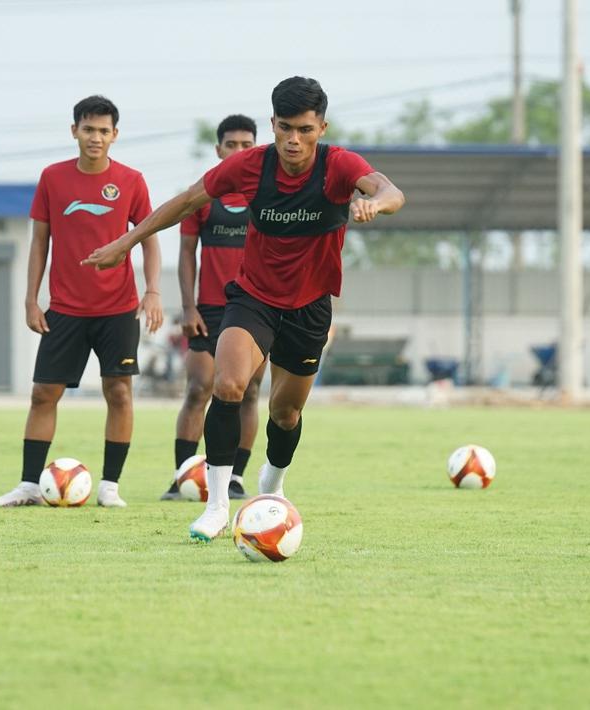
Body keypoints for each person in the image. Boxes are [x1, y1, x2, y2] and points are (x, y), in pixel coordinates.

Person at [82, 77, 404, 539]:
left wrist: (377, 203)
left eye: (306, 130)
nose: (295, 140)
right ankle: (216, 507)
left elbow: (391, 190)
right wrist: (126, 241)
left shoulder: (339, 166)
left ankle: (271, 487)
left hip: (310, 307)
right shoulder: (251, 166)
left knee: (285, 414)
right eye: (286, 128)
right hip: (253, 298)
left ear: (321, 128)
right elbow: (186, 201)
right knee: (228, 385)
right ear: (272, 124)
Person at [0, 95, 164, 509]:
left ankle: (110, 487)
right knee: (43, 394)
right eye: (88, 129)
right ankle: (29, 485)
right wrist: (32, 300)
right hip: (64, 308)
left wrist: (153, 290)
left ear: (115, 135)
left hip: (118, 308)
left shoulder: (132, 180)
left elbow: (150, 239)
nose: (96, 138)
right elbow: (39, 243)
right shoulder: (52, 178)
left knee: (118, 392)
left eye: (104, 131)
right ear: (74, 132)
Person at [161, 114, 264, 502]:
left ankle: (235, 478)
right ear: (218, 149)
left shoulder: (264, 195)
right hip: (209, 309)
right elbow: (187, 254)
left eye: (246, 145)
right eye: (231, 144)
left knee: (250, 392)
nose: (239, 151)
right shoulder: (204, 194)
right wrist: (188, 307)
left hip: (255, 309)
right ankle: (182, 475)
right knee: (199, 388)